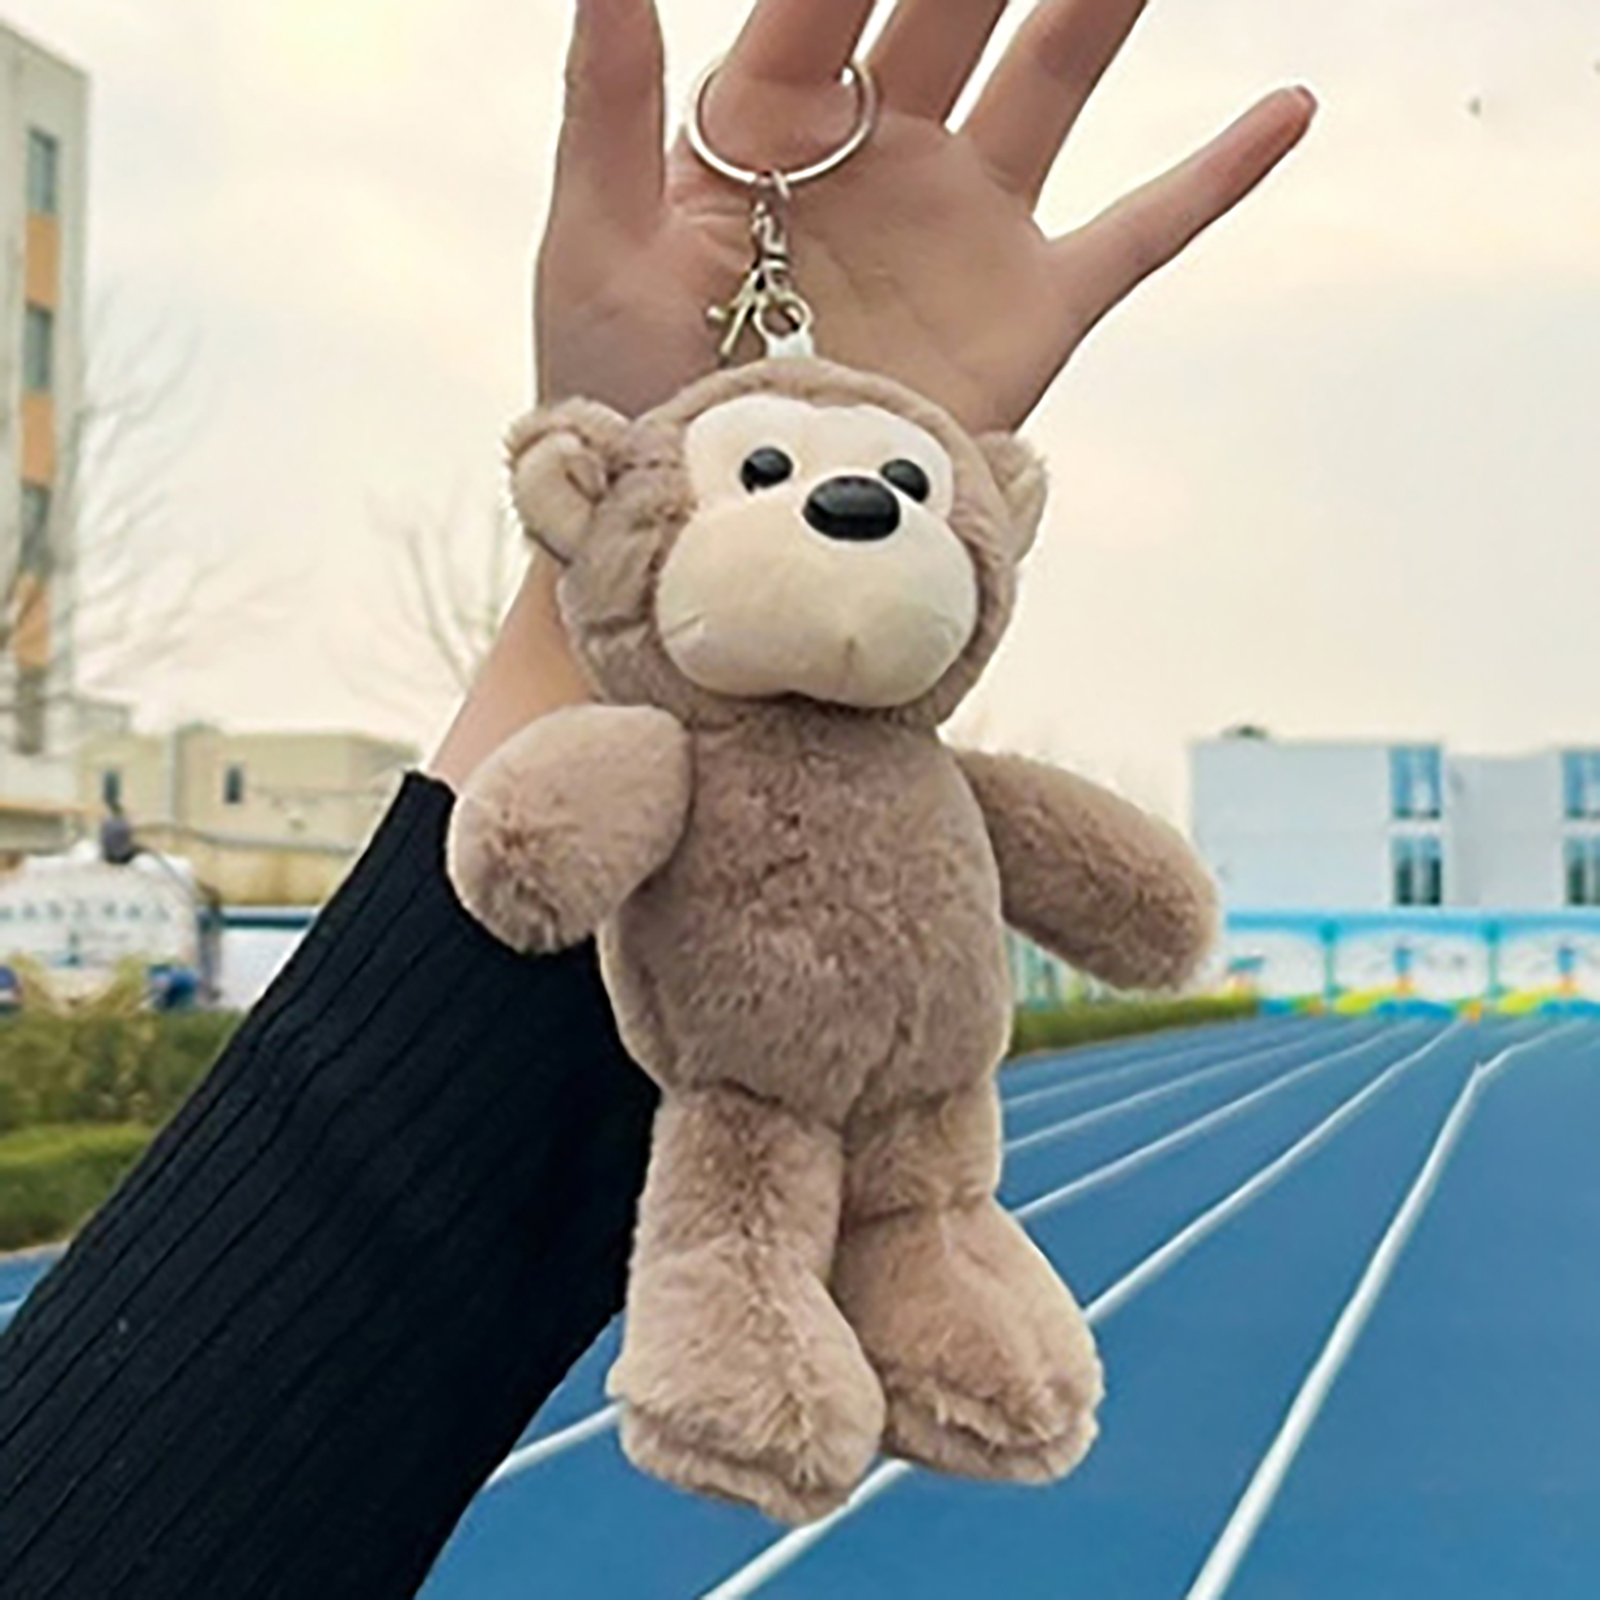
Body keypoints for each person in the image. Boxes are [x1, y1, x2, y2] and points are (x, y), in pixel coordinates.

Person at [0, 2, 1314, 1595]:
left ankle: (946, 1298)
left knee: (927, 1203)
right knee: (737, 1210)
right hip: (733, 1099)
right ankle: (738, 1358)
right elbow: (534, 856)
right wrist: (626, 611)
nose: (852, 501)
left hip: (906, 1112)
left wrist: (622, 592)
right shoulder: (653, 728)